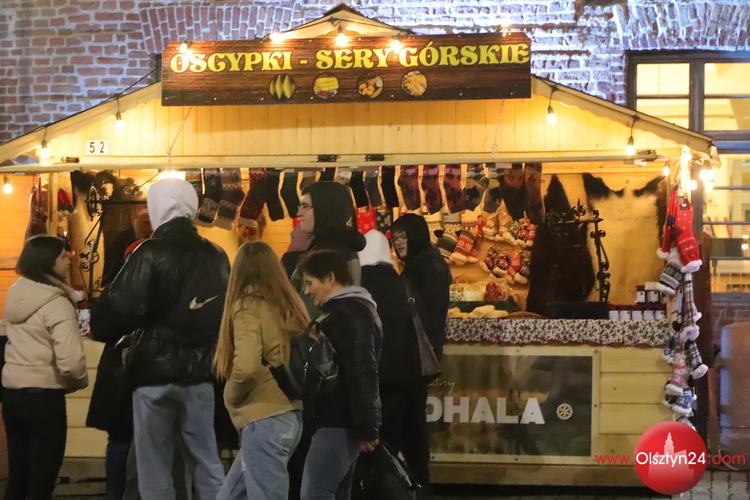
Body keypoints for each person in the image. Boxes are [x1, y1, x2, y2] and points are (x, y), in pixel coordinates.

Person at [91, 178, 229, 500]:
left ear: (157, 208)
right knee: (206, 460)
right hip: (202, 372)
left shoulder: (149, 252)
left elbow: (120, 309)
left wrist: (100, 323)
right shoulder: (217, 255)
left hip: (153, 374)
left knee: (154, 465)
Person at [289, 180, 365, 500]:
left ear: (325, 209)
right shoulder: (343, 249)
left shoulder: (327, 254)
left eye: (306, 206)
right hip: (333, 373)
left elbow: (313, 313)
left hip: (322, 375)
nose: (299, 213)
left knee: (314, 482)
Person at [215, 241, 309, 500]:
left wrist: (230, 396)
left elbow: (246, 367)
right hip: (290, 415)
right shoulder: (289, 305)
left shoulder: (247, 305)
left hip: (264, 419)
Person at [1, 235, 88, 499]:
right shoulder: (56, 303)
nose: (69, 259)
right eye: (63, 255)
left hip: (13, 393)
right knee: (43, 476)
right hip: (45, 397)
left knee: (18, 475)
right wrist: (76, 383)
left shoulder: (15, 294)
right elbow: (71, 362)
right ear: (47, 262)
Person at [298, 249, 382, 500]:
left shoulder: (347, 314)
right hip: (342, 420)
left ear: (330, 278)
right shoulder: (351, 310)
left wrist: (367, 427)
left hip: (337, 420)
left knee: (316, 492)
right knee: (336, 491)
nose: (307, 291)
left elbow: (362, 369)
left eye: (310, 283)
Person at [87, 207, 152, 500]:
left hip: (121, 374)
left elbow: (99, 327)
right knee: (129, 441)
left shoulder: (116, 293)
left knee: (121, 441)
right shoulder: (156, 292)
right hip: (133, 375)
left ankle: (118, 494)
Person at [390, 214, 452, 499]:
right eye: (396, 237)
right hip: (414, 354)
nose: (399, 242)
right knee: (412, 417)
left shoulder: (426, 267)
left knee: (411, 419)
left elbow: (426, 312)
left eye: (404, 236)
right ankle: (416, 480)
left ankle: (416, 480)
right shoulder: (424, 263)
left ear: (416, 236)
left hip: (415, 355)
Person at [357, 229, 422, 463]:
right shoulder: (399, 282)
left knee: (370, 441)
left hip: (371, 371)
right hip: (400, 371)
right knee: (393, 436)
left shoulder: (360, 284)